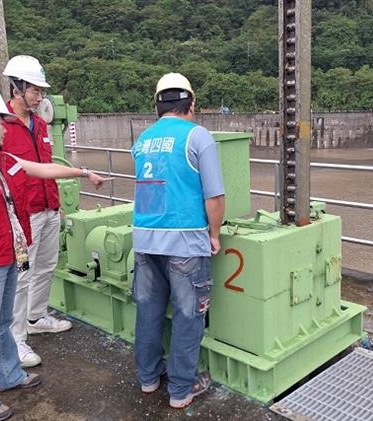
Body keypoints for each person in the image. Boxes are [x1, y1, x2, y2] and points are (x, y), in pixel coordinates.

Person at [0, 87, 107, 420]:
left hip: (8, 257)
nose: (3, 128)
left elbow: (41, 170)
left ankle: (7, 375)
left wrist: (83, 173)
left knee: (2, 324)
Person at [131, 73, 225, 409]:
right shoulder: (198, 137)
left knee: (148, 311)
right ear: (192, 103)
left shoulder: (142, 140)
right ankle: (182, 390)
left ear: (157, 104)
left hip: (144, 240)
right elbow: (214, 195)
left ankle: (148, 378)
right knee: (188, 315)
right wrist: (213, 234)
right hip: (185, 241)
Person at [0, 55, 71, 368]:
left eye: (42, 91)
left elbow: (47, 169)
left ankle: (37, 317)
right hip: (23, 215)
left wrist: (60, 206)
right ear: (17, 88)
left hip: (49, 209)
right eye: (35, 91)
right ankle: (16, 340)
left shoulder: (40, 124)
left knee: (46, 266)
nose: (40, 97)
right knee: (22, 276)